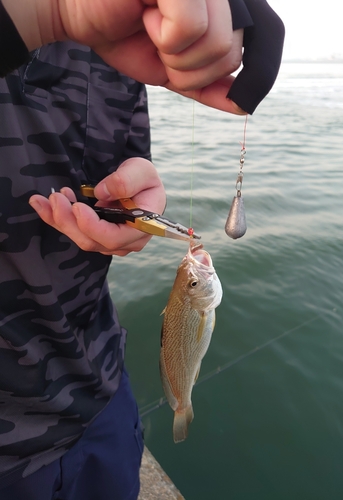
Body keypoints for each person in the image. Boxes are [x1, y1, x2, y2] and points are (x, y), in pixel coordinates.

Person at [0, 1, 284, 499]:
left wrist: (134, 190)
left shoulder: (131, 44)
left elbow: (128, 159)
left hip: (101, 394)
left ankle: (178, 401)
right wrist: (48, 13)